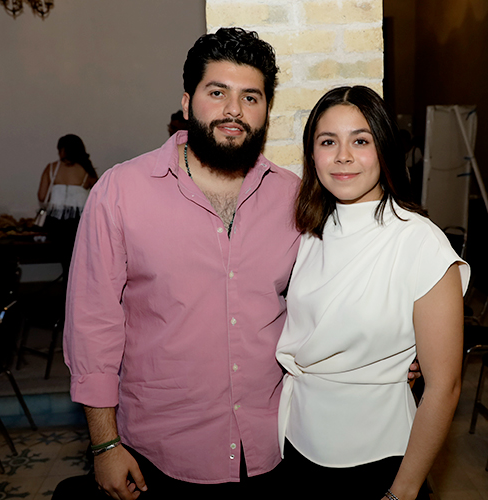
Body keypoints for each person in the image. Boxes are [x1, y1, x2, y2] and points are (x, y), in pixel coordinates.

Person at [56, 28, 301, 499]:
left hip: (274, 446)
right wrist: (104, 444)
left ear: (266, 110)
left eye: (250, 97)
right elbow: (92, 325)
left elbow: (327, 297)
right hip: (160, 457)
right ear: (188, 104)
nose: (234, 110)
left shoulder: (293, 197)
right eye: (217, 93)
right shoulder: (120, 192)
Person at [276, 86, 470, 500]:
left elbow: (444, 387)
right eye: (328, 142)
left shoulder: (419, 242)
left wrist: (402, 492)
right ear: (313, 155)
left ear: (383, 149)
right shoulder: (310, 234)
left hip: (378, 458)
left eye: (360, 141)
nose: (343, 156)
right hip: (297, 443)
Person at [37, 134, 98, 278]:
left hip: (55, 223)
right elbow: (98, 196)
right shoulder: (86, 170)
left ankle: (66, 285)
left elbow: (42, 196)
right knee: (77, 261)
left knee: (65, 260)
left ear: (63, 150)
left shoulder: (52, 168)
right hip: (78, 223)